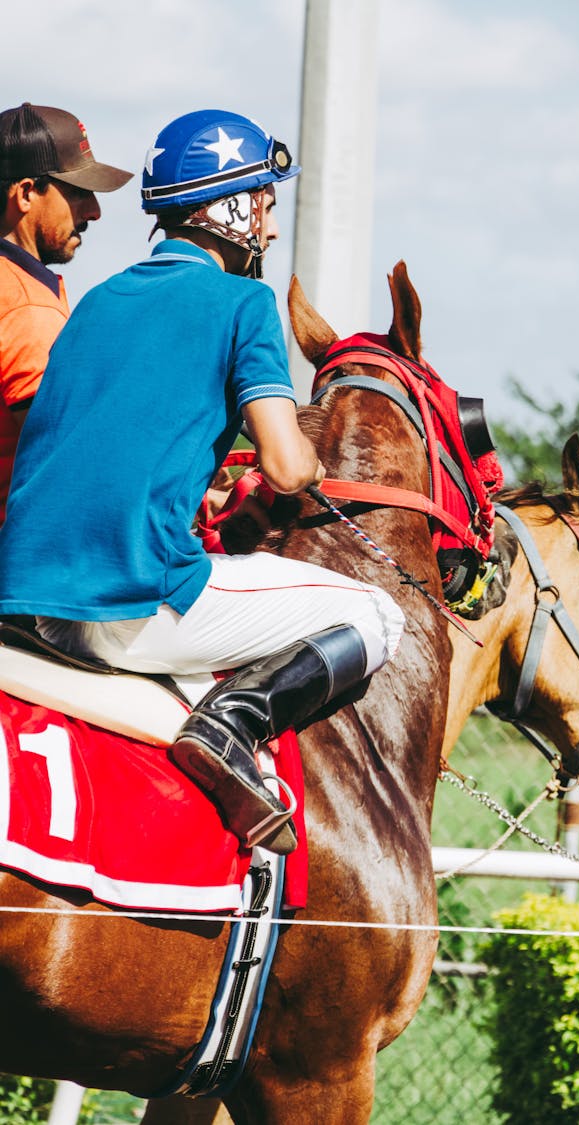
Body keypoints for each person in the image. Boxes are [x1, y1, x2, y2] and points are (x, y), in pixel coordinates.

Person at [0, 109, 404, 855]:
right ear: (226, 206)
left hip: (22, 599)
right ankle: (232, 725)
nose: (272, 229)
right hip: (130, 602)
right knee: (380, 614)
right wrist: (312, 461)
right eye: (265, 204)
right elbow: (285, 467)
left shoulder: (92, 299)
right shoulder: (245, 304)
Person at [0, 102, 132, 522]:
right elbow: (66, 462)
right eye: (77, 192)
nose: (93, 211)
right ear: (25, 194)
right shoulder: (25, 304)